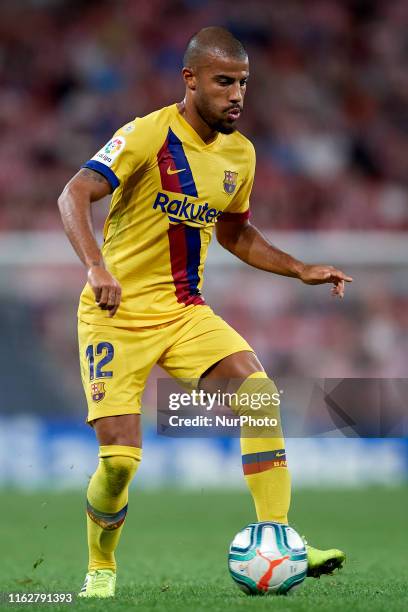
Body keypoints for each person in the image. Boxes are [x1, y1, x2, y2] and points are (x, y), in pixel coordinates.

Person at [58, 26, 351, 598]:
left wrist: (299, 268)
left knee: (259, 395)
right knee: (119, 464)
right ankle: (101, 566)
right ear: (190, 80)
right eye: (224, 82)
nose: (236, 93)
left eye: (243, 82)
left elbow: (236, 233)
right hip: (114, 314)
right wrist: (96, 265)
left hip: (185, 311)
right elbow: (73, 193)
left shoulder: (241, 154)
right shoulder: (146, 134)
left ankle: (279, 538)